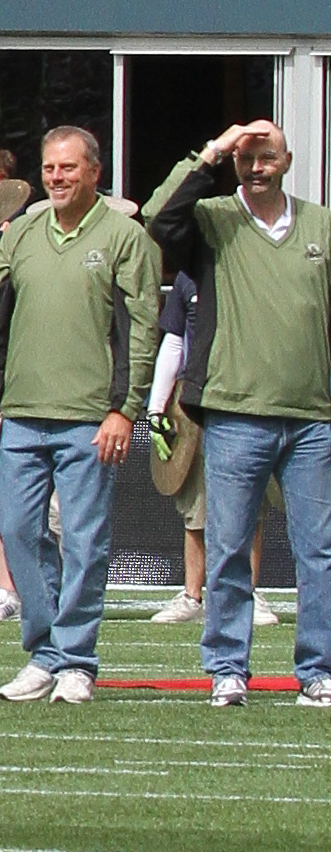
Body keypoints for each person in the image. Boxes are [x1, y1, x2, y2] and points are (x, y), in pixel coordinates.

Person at [143, 117, 331, 706]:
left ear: (288, 159)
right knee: (226, 548)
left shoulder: (322, 225)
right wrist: (213, 151)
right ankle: (227, 668)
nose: (255, 165)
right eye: (245, 157)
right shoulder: (213, 219)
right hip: (233, 413)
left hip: (313, 419)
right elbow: (158, 217)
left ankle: (318, 670)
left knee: (318, 552)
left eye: (266, 154)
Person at [0, 123, 157, 706]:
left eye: (69, 168)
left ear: (94, 172)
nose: (57, 178)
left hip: (88, 418)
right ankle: (46, 651)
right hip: (21, 415)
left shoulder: (124, 235)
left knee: (83, 540)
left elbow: (140, 330)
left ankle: (76, 659)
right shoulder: (22, 232)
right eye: (50, 168)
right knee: (19, 531)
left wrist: (124, 410)